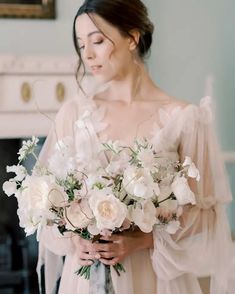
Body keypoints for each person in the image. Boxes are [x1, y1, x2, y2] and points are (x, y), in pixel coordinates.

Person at [37, 0, 233, 293]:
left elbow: (204, 219)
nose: (87, 55)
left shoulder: (185, 119)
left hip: (153, 278)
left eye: (98, 41)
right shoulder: (74, 114)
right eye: (81, 45)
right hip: (84, 277)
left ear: (132, 37)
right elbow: (46, 207)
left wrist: (142, 240)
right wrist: (76, 237)